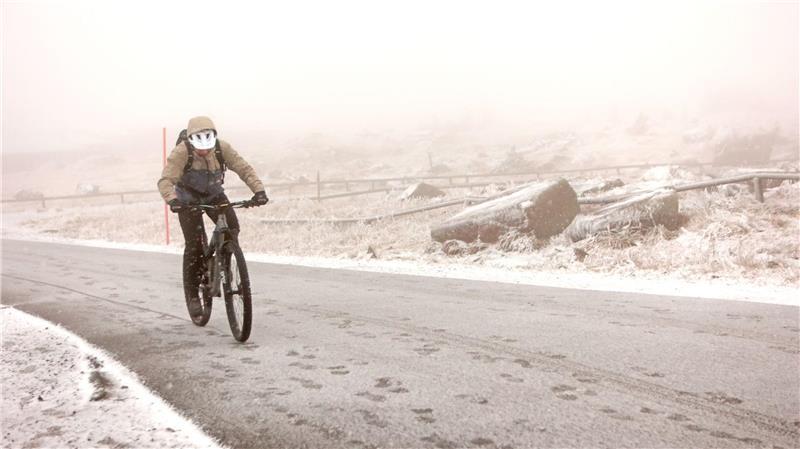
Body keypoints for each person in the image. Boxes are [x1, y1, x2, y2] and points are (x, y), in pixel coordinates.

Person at [157, 116, 268, 317]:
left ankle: (223, 256)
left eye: (207, 149)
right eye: (200, 150)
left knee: (232, 226)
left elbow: (244, 168)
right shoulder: (181, 152)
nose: (205, 152)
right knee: (195, 245)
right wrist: (173, 201)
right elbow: (166, 180)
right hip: (187, 200)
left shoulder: (222, 148)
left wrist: (259, 191)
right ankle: (193, 294)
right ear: (191, 143)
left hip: (214, 195)